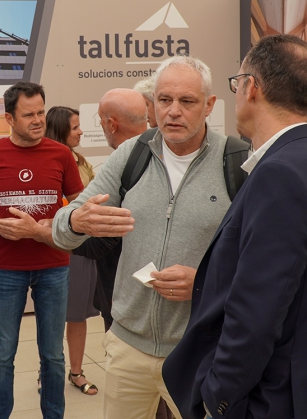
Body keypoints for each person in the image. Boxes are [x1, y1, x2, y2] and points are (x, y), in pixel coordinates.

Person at [163, 35, 307, 419]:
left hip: (271, 400)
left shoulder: (280, 174)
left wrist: (217, 398)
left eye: (236, 84)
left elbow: (256, 312)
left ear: (251, 87)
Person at [53, 57, 232, 419]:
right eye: (164, 100)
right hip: (127, 346)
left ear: (209, 105)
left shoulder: (237, 163)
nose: (173, 112)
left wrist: (205, 283)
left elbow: (262, 264)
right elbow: (62, 228)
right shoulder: (131, 154)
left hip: (200, 348)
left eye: (187, 101)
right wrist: (76, 219)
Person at [0, 82, 84, 419]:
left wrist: (55, 223)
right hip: (6, 268)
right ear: (8, 118)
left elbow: (79, 207)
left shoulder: (61, 155)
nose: (38, 120)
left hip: (54, 264)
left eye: (41, 112)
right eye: (28, 114)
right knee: (3, 354)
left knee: (53, 354)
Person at [72, 88, 148, 331]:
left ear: (112, 125)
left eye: (100, 120)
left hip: (123, 299)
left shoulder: (123, 169)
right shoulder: (165, 157)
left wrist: (51, 230)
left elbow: (100, 242)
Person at [45, 105, 99, 397]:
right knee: (52, 315)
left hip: (83, 248)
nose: (80, 131)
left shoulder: (79, 159)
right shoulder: (47, 161)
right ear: (60, 130)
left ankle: (76, 373)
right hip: (57, 248)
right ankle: (48, 372)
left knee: (77, 314)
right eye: (75, 127)